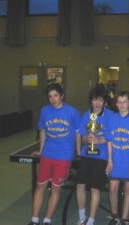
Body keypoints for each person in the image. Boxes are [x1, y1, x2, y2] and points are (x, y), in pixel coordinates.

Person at [27, 83, 81, 225]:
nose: (53, 99)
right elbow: (43, 131)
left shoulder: (72, 112)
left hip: (64, 156)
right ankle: (34, 219)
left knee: (56, 189)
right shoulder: (45, 111)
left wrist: (78, 150)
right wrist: (41, 149)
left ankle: (47, 220)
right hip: (47, 155)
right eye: (50, 96)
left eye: (55, 95)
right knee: (40, 186)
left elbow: (77, 133)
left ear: (62, 96)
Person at [76, 84, 114, 225]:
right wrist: (88, 139)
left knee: (94, 188)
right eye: (94, 100)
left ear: (104, 101)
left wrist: (99, 139)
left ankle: (91, 220)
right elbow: (83, 136)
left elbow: (110, 137)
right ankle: (82, 217)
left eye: (100, 100)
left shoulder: (110, 116)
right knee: (80, 185)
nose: (97, 103)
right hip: (86, 155)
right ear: (91, 101)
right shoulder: (86, 115)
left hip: (102, 157)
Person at [105, 91, 129, 225]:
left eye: (124, 102)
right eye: (119, 102)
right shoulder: (112, 119)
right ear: (116, 104)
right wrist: (109, 160)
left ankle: (124, 218)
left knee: (128, 189)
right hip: (115, 161)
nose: (122, 105)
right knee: (113, 189)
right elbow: (109, 141)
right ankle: (115, 216)